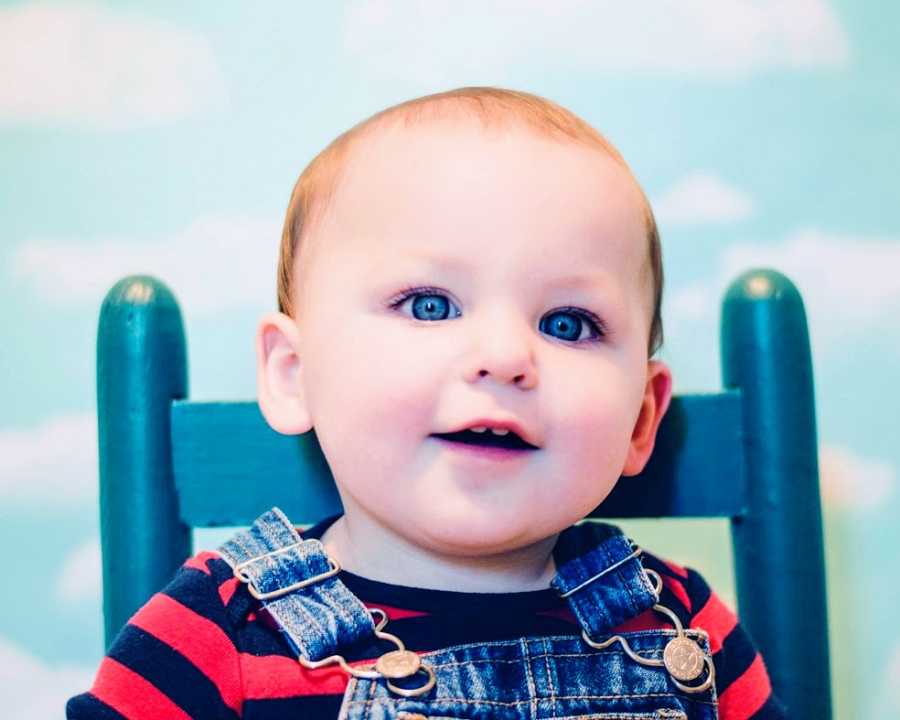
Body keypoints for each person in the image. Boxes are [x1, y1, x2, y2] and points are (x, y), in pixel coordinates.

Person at [67, 87, 786, 719]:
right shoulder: (218, 633)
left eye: (567, 323)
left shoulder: (678, 624)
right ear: (294, 373)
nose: (504, 356)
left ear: (639, 419)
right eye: (431, 305)